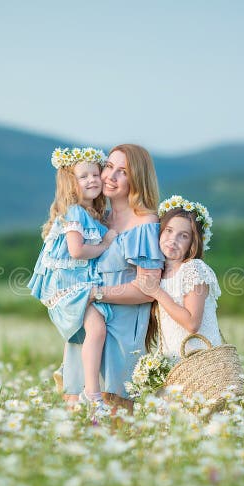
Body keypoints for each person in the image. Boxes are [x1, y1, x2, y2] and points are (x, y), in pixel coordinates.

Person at [62, 144, 164, 414]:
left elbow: (147, 288)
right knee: (79, 417)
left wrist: (94, 293)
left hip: (121, 332)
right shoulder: (99, 219)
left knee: (115, 419)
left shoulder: (144, 223)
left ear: (137, 179)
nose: (110, 176)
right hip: (89, 328)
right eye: (108, 166)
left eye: (122, 172)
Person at [28, 147, 116, 415]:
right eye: (83, 176)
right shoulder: (76, 212)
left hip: (78, 284)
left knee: (88, 336)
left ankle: (77, 387)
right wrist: (104, 245)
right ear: (70, 183)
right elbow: (77, 251)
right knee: (97, 330)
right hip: (69, 286)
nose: (92, 180)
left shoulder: (90, 214)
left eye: (95, 174)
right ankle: (92, 393)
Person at [135, 196, 222, 361]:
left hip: (201, 362)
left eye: (183, 236)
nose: (173, 240)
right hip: (175, 363)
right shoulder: (159, 274)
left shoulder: (193, 269)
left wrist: (156, 292)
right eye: (169, 230)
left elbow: (192, 324)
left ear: (192, 243)